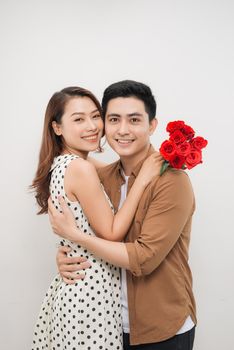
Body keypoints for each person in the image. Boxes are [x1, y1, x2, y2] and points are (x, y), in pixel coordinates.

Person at [49, 80, 197, 350]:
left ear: (152, 125)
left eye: (134, 120)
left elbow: (144, 258)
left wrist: (76, 237)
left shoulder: (171, 182)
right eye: (114, 119)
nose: (123, 130)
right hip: (109, 326)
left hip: (161, 330)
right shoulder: (102, 177)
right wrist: (66, 254)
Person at [31, 85, 162, 350]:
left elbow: (115, 171)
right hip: (90, 296)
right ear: (57, 128)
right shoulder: (80, 168)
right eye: (78, 119)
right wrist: (144, 179)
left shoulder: (68, 163)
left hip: (78, 290)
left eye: (95, 116)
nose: (92, 126)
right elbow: (112, 232)